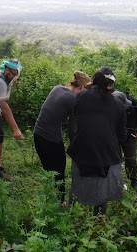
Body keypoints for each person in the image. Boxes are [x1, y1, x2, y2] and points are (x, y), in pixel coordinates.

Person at [67, 67, 127, 215]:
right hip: (107, 155)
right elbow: (122, 136)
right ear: (111, 85)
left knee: (77, 188)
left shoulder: (81, 97)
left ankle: (71, 219)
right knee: (102, 193)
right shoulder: (118, 104)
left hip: (81, 151)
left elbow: (73, 121)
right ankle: (99, 223)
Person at [34, 70, 91, 202]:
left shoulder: (57, 88)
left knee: (48, 171)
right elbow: (73, 128)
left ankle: (47, 199)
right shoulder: (73, 98)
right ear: (82, 87)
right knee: (59, 173)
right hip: (50, 139)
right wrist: (75, 147)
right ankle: (60, 203)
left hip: (38, 134)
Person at [119, 92, 137, 191]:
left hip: (130, 134)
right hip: (116, 135)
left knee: (131, 158)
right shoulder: (112, 104)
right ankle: (117, 181)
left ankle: (134, 181)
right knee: (115, 158)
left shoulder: (134, 103)